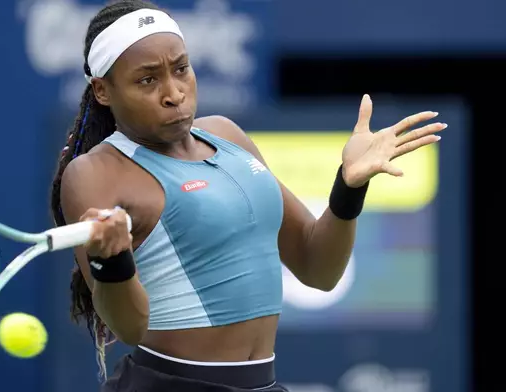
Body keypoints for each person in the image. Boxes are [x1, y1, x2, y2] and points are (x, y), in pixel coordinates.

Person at [49, 1, 446, 390]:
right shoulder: (95, 172)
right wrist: (112, 260)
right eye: (148, 80)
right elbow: (129, 327)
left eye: (181, 69)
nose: (173, 93)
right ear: (102, 90)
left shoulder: (227, 134)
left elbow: (317, 268)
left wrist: (349, 186)